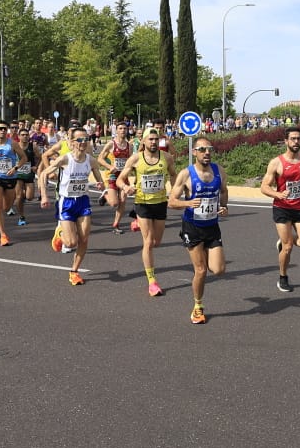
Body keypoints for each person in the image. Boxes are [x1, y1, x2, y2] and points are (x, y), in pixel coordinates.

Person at [169, 136, 229, 324]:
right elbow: (172, 201)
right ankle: (197, 307)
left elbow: (224, 191)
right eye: (202, 149)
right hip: (192, 227)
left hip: (212, 225)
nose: (207, 153)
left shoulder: (219, 171)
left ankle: (206, 257)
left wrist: (223, 207)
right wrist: (187, 203)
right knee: (201, 270)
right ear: (194, 152)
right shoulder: (186, 174)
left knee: (218, 270)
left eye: (209, 149)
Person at [41, 127, 108, 286]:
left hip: (83, 201)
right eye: (80, 140)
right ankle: (60, 233)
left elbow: (99, 179)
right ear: (72, 142)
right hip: (67, 202)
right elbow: (43, 174)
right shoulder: (65, 159)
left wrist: (101, 186)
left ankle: (74, 271)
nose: (83, 142)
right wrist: (44, 195)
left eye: (86, 139)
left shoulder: (91, 160)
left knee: (84, 239)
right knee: (71, 243)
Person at [119, 126, 175, 296]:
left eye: (156, 139)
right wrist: (126, 187)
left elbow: (174, 175)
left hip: (160, 202)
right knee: (148, 242)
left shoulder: (166, 157)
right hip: (142, 203)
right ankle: (152, 281)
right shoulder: (136, 159)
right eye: (150, 139)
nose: (153, 142)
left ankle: (137, 221)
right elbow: (121, 179)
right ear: (143, 141)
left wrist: (175, 192)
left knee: (157, 242)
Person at [261, 126, 300, 293]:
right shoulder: (277, 163)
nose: (296, 142)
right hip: (282, 208)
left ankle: (286, 239)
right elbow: (264, 187)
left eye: (298, 138)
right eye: (293, 139)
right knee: (288, 247)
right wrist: (278, 194)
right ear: (286, 141)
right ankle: (283, 277)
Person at [0, 123, 24, 245]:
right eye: (0, 128)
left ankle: (7, 210)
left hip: (10, 178)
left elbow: (24, 158)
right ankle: (3, 235)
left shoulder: (13, 144)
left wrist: (15, 168)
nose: (2, 130)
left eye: (4, 129)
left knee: (6, 207)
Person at [97, 122, 134, 234]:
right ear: (116, 130)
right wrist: (109, 167)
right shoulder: (111, 144)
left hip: (123, 176)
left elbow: (130, 161)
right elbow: (99, 159)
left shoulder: (129, 146)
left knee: (123, 201)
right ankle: (105, 195)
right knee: (114, 203)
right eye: (120, 128)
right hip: (112, 175)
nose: (123, 130)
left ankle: (116, 224)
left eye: (124, 128)